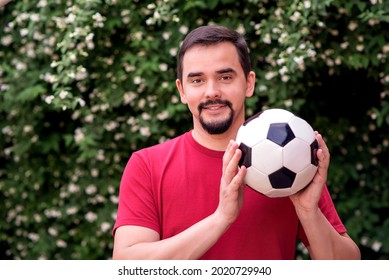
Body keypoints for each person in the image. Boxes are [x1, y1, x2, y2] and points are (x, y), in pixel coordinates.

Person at [112, 25, 361, 260]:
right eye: (197, 80)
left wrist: (309, 212)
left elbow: (351, 270)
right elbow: (128, 264)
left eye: (225, 77)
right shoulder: (147, 165)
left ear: (249, 83)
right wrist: (221, 218)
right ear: (182, 91)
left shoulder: (292, 158)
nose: (211, 92)